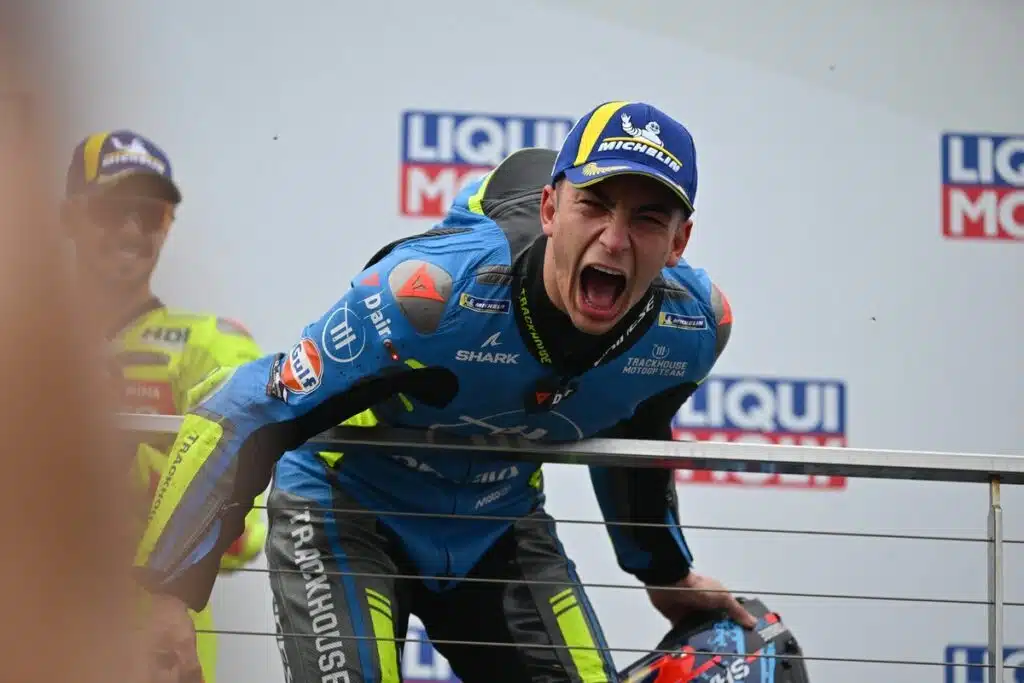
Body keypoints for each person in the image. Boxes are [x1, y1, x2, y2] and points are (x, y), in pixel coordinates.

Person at [137, 100, 756, 683]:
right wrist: (165, 592)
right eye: (593, 205)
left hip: (497, 518)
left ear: (679, 243)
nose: (615, 240)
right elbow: (248, 406)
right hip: (345, 507)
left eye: (648, 219)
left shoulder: (694, 326)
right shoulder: (430, 294)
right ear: (549, 210)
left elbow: (636, 434)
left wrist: (666, 573)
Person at [61, 129, 269, 683]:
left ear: (168, 225)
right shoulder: (24, 346)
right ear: (69, 217)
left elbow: (242, 537)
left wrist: (136, 452)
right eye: (113, 210)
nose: (132, 230)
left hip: (153, 650)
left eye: (150, 214)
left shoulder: (211, 345)